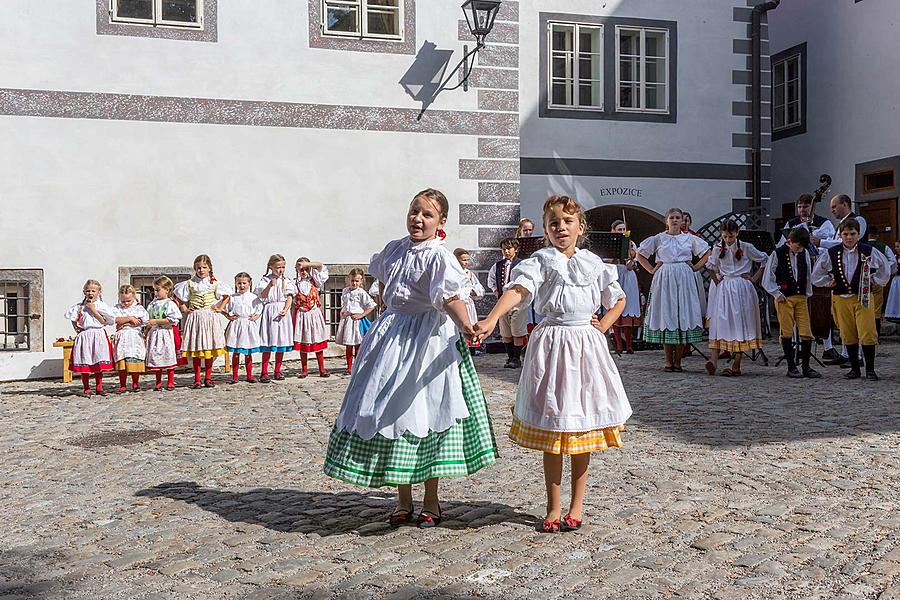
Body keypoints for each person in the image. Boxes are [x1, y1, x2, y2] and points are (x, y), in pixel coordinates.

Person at [324, 188, 498, 529]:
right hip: (391, 337)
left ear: (441, 222)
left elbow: (449, 297)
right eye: (414, 212)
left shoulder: (440, 256)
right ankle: (402, 498)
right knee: (392, 412)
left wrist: (466, 325)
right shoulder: (393, 249)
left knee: (428, 411)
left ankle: (431, 498)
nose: (418, 219)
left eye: (427, 215)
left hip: (428, 340)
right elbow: (387, 285)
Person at [475, 194, 631, 533]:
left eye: (567, 221)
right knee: (554, 427)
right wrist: (491, 319)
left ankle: (577, 504)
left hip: (585, 347)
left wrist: (603, 326)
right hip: (553, 344)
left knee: (580, 427)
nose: (561, 227)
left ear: (580, 227)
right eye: (554, 223)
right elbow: (518, 290)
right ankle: (553, 506)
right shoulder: (541, 261)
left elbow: (617, 298)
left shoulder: (594, 263)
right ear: (546, 230)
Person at [812, 218, 891, 380]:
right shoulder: (832, 252)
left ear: (858, 234)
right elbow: (816, 274)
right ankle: (855, 368)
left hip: (863, 296)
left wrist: (876, 279)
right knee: (847, 332)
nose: (849, 237)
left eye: (852, 234)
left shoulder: (868, 251)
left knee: (867, 331)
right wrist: (828, 282)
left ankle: (870, 369)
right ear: (840, 235)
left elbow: (885, 266)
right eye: (845, 234)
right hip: (841, 297)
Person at [635, 208, 711, 372]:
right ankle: (668, 361)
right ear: (666, 220)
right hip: (665, 278)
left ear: (683, 221)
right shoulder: (659, 239)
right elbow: (640, 255)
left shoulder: (689, 239)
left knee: (682, 315)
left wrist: (696, 267)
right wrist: (651, 269)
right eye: (672, 218)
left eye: (678, 218)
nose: (675, 220)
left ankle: (678, 361)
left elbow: (707, 252)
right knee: (666, 315)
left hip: (684, 277)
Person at [704, 220, 768, 377]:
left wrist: (754, 278)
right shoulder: (718, 248)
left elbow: (764, 259)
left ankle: (736, 363)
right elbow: (710, 266)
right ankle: (713, 361)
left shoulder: (746, 247)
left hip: (742, 287)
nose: (728, 240)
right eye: (725, 236)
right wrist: (717, 281)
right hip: (725, 287)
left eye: (730, 236)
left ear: (737, 233)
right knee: (720, 321)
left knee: (741, 322)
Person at [761, 227, 820, 378]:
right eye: (797, 246)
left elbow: (807, 274)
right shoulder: (778, 253)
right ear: (789, 242)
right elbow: (768, 277)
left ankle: (806, 367)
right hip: (784, 298)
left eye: (801, 247)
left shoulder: (804, 253)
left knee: (806, 332)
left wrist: (807, 293)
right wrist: (776, 293)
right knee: (786, 331)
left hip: (800, 297)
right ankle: (791, 366)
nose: (799, 250)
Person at [819, 194, 868, 364]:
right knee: (843, 320)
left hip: (857, 278)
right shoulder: (838, 225)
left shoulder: (858, 220)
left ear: (845, 204)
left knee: (860, 322)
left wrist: (820, 242)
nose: (832, 210)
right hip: (841, 277)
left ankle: (859, 355)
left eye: (834, 206)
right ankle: (847, 353)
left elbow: (850, 243)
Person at [173, 255, 232, 388]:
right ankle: (197, 378)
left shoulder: (214, 283)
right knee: (197, 347)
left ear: (209, 268)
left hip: (210, 317)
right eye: (198, 268)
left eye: (204, 267)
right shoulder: (190, 283)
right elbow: (177, 297)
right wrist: (184, 308)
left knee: (209, 347)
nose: (201, 270)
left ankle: (208, 377)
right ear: (195, 269)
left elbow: (227, 296)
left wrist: (219, 307)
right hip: (196, 317)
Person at [65, 279, 116, 395]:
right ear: (84, 292)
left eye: (93, 290)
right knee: (85, 360)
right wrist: (77, 328)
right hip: (84, 335)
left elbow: (106, 321)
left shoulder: (101, 306)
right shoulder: (79, 307)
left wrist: (93, 310)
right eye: (88, 291)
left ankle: (99, 386)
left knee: (98, 360)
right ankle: (86, 387)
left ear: (99, 292)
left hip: (98, 334)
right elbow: (73, 318)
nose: (90, 293)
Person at [255, 254, 296, 382]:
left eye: (283, 267)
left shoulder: (287, 280)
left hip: (282, 311)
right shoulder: (265, 280)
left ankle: (277, 370)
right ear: (271, 267)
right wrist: (270, 286)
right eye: (278, 267)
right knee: (269, 340)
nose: (281, 270)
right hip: (270, 310)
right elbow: (262, 295)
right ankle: (264, 371)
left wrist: (286, 309)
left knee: (280, 340)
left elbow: (290, 296)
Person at [487, 238, 527, 368]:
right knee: (505, 332)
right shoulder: (498, 265)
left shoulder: (522, 264)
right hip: (502, 303)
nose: (506, 251)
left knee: (517, 331)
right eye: (504, 249)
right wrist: (495, 291)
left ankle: (516, 358)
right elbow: (491, 279)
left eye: (509, 248)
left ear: (516, 249)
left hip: (518, 304)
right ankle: (509, 357)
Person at [293, 257, 331, 378]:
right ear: (297, 270)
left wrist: (307, 264)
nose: (304, 271)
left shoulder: (315, 281)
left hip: (314, 314)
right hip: (302, 315)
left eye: (306, 269)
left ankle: (322, 368)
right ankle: (304, 369)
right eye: (301, 269)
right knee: (304, 341)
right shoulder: (294, 283)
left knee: (317, 340)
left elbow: (320, 265)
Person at [335, 268, 377, 373]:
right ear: (349, 279)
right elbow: (345, 304)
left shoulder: (361, 292)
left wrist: (361, 314)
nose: (354, 283)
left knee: (358, 344)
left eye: (357, 281)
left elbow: (371, 305)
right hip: (347, 320)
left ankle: (357, 365)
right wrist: (342, 310)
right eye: (353, 280)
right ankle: (349, 366)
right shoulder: (345, 291)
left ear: (361, 281)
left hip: (356, 321)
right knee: (349, 345)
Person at [145, 276, 184, 391]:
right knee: (157, 357)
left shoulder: (170, 304)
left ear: (167, 290)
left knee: (168, 356)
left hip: (166, 333)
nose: (155, 292)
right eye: (154, 290)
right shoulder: (152, 304)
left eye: (158, 290)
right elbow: (148, 320)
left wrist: (157, 321)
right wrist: (146, 332)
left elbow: (173, 320)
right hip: (155, 333)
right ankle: (158, 381)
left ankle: (171, 381)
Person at [609, 220, 641, 354]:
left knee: (629, 307)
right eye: (619, 229)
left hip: (628, 276)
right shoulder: (611, 243)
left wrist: (632, 262)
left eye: (623, 229)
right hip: (615, 273)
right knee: (615, 305)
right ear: (613, 231)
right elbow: (607, 261)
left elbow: (637, 261)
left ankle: (629, 344)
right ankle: (618, 344)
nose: (622, 232)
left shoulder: (631, 243)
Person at [224, 272, 263, 384]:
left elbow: (260, 307)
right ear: (236, 284)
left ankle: (249, 375)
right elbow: (225, 308)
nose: (242, 285)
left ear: (249, 283)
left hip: (248, 325)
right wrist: (228, 316)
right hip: (236, 325)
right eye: (239, 283)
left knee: (248, 352)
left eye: (244, 283)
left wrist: (257, 315)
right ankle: (235, 376)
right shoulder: (233, 297)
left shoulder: (253, 297)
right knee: (236, 352)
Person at [112, 284, 149, 392]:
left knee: (134, 359)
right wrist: (129, 318)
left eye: (128, 301)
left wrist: (126, 322)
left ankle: (135, 383)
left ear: (133, 298)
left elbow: (142, 321)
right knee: (122, 359)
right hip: (122, 336)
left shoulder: (139, 308)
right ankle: (122, 384)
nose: (126, 304)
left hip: (134, 336)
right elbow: (115, 319)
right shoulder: (117, 308)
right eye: (123, 301)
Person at [865, 226, 898, 334]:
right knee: (877, 308)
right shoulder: (884, 247)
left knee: (864, 306)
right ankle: (876, 334)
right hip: (877, 279)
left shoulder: (862, 246)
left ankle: (866, 332)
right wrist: (884, 272)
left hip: (864, 279)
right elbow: (892, 261)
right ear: (877, 235)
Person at [454, 248, 486, 355]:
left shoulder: (469, 274)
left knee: (470, 325)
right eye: (463, 260)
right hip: (456, 303)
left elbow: (479, 289)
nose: (466, 262)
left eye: (467, 260)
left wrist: (473, 291)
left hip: (468, 304)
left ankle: (471, 349)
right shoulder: (452, 273)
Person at [885, 241, 900, 323]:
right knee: (895, 296)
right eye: (895, 247)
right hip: (896, 279)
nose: (896, 248)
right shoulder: (895, 257)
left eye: (898, 246)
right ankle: (894, 313)